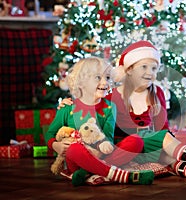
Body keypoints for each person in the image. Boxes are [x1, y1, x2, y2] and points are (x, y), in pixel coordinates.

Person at [60, 41, 186, 182]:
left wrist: (164, 139)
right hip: (127, 146)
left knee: (168, 153)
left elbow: (162, 127)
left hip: (152, 143)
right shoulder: (113, 96)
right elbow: (91, 108)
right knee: (163, 144)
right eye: (144, 67)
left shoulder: (157, 93)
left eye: (154, 68)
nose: (150, 73)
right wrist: (68, 104)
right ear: (129, 70)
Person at [45, 57, 154, 186]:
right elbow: (50, 134)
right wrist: (55, 146)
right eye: (98, 78)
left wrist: (96, 151)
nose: (105, 82)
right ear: (82, 82)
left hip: (102, 154)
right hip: (76, 158)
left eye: (107, 78)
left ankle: (88, 172)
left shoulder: (110, 107)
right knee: (74, 149)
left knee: (136, 141)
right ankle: (122, 175)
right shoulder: (68, 107)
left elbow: (108, 139)